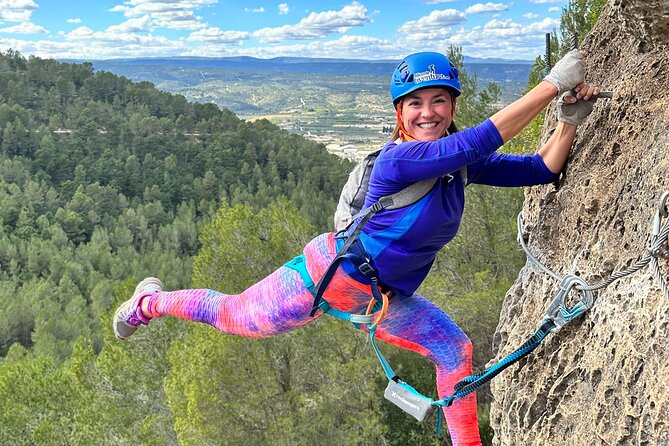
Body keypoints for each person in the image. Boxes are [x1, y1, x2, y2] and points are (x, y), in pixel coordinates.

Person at [113, 50, 600, 446]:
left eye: (438, 101)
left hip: (383, 297)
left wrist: (569, 121)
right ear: (399, 114)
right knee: (233, 316)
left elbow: (541, 170)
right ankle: (147, 303)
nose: (427, 112)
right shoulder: (398, 161)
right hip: (324, 278)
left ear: (452, 106)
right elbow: (473, 143)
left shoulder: (459, 165)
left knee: (455, 350)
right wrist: (551, 83)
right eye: (414, 103)